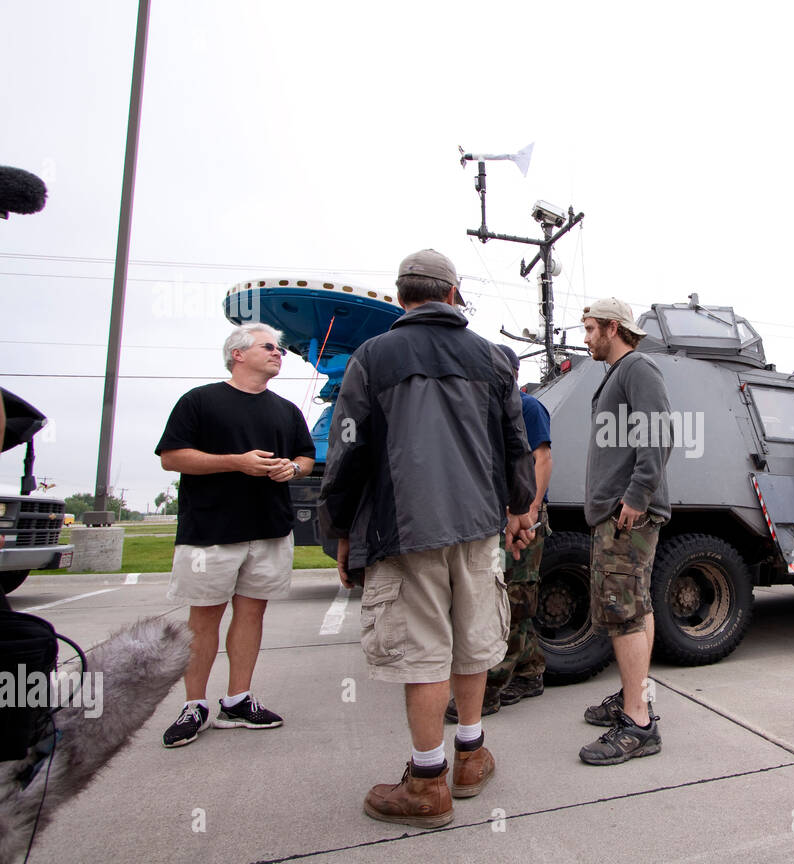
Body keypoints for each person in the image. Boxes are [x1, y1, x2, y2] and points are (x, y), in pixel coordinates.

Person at [318, 248, 535, 828]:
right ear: (453, 296)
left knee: (424, 653)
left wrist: (339, 529)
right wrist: (517, 509)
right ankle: (471, 755)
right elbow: (516, 445)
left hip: (403, 527)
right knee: (472, 639)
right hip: (478, 528)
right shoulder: (494, 360)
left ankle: (426, 782)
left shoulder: (372, 357)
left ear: (401, 295)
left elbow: (347, 448)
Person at [155, 322, 315, 748]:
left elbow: (306, 456)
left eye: (280, 348)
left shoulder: (286, 410)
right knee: (203, 619)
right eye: (269, 347)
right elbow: (172, 458)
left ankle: (238, 701)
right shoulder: (200, 401)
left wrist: (293, 468)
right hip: (210, 531)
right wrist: (236, 462)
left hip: (269, 529)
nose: (279, 353)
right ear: (238, 354)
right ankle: (195, 705)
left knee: (252, 615)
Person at [578, 297, 672, 765]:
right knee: (636, 604)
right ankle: (635, 695)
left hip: (626, 513)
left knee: (623, 611)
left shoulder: (638, 367)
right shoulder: (617, 373)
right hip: (617, 512)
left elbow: (659, 433)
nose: (586, 336)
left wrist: (636, 496)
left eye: (591, 328)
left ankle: (637, 724)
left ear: (614, 328)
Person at [445, 344, 552, 721]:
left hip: (522, 520)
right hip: (495, 520)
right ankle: (530, 673)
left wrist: (530, 511)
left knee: (512, 602)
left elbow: (542, 459)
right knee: (511, 599)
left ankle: (490, 688)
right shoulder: (488, 409)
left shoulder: (528, 407)